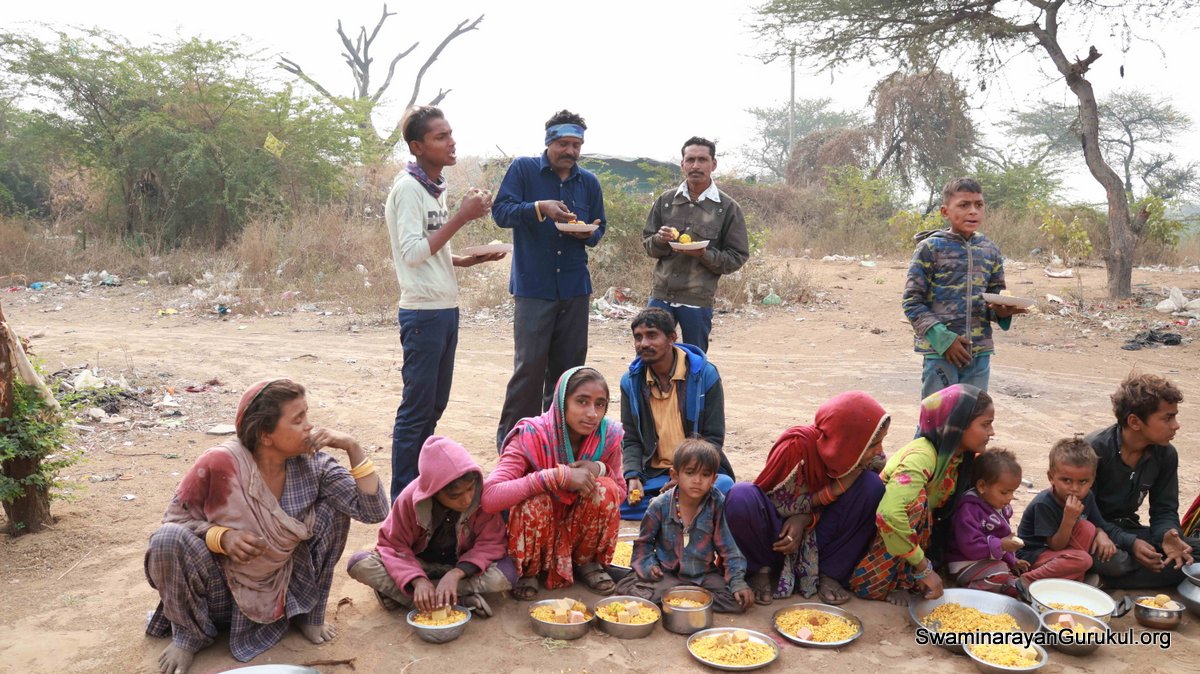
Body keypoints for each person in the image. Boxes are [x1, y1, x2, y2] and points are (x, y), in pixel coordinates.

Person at [144, 379, 388, 674]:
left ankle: (308, 615)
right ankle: (188, 636)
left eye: (307, 415)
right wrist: (221, 537)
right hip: (217, 590)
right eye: (298, 419)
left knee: (334, 511)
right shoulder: (220, 463)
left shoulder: (314, 465)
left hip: (282, 592)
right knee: (168, 539)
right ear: (265, 435)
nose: (310, 426)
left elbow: (373, 511)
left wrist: (352, 446)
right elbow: (172, 524)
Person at [385, 105, 504, 500]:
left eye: (450, 134)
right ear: (417, 147)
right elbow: (412, 253)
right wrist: (462, 218)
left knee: (433, 407)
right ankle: (403, 501)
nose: (451, 142)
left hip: (443, 308)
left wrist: (465, 260)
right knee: (416, 412)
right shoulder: (408, 189)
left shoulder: (433, 187)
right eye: (440, 137)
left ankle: (420, 491)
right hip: (423, 312)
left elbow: (429, 246)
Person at [492, 110, 606, 449]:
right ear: (548, 142)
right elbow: (501, 212)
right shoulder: (524, 170)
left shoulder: (588, 182)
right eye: (563, 144)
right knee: (528, 370)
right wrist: (539, 207)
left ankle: (559, 446)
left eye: (576, 145)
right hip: (534, 288)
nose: (570, 151)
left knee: (569, 375)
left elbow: (599, 228)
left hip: (574, 288)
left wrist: (587, 233)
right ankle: (515, 447)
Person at [725, 391, 889, 605]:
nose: (879, 451)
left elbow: (872, 473)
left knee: (872, 487)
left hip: (819, 535)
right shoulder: (796, 448)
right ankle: (760, 569)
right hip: (779, 537)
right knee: (740, 497)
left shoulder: (863, 459)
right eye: (873, 444)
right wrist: (803, 516)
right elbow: (773, 502)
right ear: (847, 440)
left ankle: (831, 572)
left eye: (880, 441)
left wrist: (806, 519)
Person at [481, 366, 626, 600]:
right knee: (535, 500)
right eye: (582, 401)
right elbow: (490, 497)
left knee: (605, 488)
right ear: (561, 403)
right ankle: (529, 569)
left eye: (600, 404)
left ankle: (586, 562)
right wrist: (554, 478)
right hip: (537, 531)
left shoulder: (607, 436)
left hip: (578, 528)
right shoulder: (531, 435)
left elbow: (619, 493)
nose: (592, 413)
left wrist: (599, 468)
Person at [849, 384, 993, 605]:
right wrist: (923, 567)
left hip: (909, 536)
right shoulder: (922, 455)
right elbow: (889, 515)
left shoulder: (960, 459)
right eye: (985, 424)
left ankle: (908, 577)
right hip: (873, 532)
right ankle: (876, 583)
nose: (991, 432)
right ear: (957, 425)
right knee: (915, 504)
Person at [346, 436, 516, 617]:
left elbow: (491, 543)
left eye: (470, 489)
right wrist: (417, 580)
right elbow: (393, 545)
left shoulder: (481, 497)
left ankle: (410, 596)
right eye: (455, 496)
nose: (466, 500)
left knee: (507, 573)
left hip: (461, 568)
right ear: (434, 491)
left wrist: (457, 574)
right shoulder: (409, 499)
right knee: (360, 563)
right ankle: (458, 601)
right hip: (419, 565)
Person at [902, 177, 1024, 399]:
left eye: (979, 205)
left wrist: (1002, 312)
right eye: (964, 205)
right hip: (940, 352)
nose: (973, 211)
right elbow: (912, 302)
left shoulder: (990, 250)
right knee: (938, 415)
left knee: (973, 415)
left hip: (979, 352)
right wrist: (944, 340)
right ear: (945, 211)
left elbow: (994, 297)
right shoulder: (930, 248)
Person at [619, 308, 734, 520]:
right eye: (638, 337)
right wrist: (633, 475)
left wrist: (685, 475)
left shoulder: (704, 375)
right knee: (613, 497)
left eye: (652, 335)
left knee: (725, 486)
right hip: (653, 476)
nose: (643, 343)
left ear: (672, 338)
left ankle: (664, 507)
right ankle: (678, 507)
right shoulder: (630, 382)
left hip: (695, 470)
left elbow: (713, 438)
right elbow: (631, 438)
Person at [615, 438, 755, 613]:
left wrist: (737, 582)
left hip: (703, 575)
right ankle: (689, 598)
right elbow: (644, 544)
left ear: (714, 479)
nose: (697, 480)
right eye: (690, 473)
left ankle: (678, 599)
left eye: (705, 475)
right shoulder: (659, 505)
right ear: (675, 475)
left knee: (737, 601)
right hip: (667, 573)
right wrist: (649, 566)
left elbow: (729, 548)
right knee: (634, 592)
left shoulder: (717, 504)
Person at [1084, 373, 1198, 587]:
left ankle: (1107, 579)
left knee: (1190, 552)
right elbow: (1084, 514)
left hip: (1129, 530)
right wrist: (1130, 543)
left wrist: (1168, 534)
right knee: (1113, 560)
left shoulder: (1165, 454)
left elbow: (1164, 509)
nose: (1176, 425)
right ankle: (1109, 574)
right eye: (1167, 418)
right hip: (1095, 532)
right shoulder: (1094, 450)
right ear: (1135, 422)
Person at [642, 136, 749, 353]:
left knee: (694, 359)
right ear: (682, 164)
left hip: (697, 299)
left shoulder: (727, 208)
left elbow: (737, 256)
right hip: (661, 295)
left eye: (702, 160)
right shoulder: (666, 201)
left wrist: (704, 254)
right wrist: (660, 240)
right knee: (649, 354)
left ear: (713, 164)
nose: (695, 166)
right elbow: (648, 245)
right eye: (690, 160)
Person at [1016, 438, 1139, 587]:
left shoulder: (1087, 497)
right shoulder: (1044, 504)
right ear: (1051, 478)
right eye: (1066, 481)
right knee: (1084, 560)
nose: (1075, 488)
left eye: (1083, 482)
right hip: (1034, 556)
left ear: (1092, 480)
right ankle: (1026, 581)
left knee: (1088, 528)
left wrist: (1101, 534)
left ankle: (1071, 579)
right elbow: (1056, 546)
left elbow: (1098, 523)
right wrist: (1068, 519)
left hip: (1065, 555)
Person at [944, 449, 1029, 597]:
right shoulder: (969, 509)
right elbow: (970, 546)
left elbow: (1002, 535)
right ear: (982, 486)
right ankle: (967, 593)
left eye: (1013, 492)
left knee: (1017, 585)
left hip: (986, 561)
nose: (1010, 497)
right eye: (1004, 492)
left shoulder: (998, 505)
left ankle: (996, 588)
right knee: (1000, 572)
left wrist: (1013, 560)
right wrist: (1001, 545)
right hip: (963, 563)